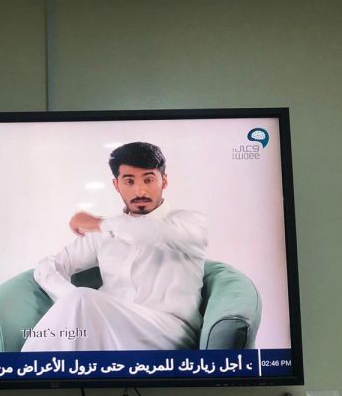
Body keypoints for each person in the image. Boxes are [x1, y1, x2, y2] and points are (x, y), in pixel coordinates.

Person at [22, 142, 207, 352]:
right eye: (129, 181)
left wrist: (98, 223)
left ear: (164, 181)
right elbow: (48, 266)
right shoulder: (105, 232)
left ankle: (25, 367)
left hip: (168, 332)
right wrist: (69, 298)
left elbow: (148, 233)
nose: (140, 190)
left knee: (82, 304)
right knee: (80, 306)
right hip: (106, 328)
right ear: (116, 185)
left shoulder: (189, 223)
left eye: (148, 179)